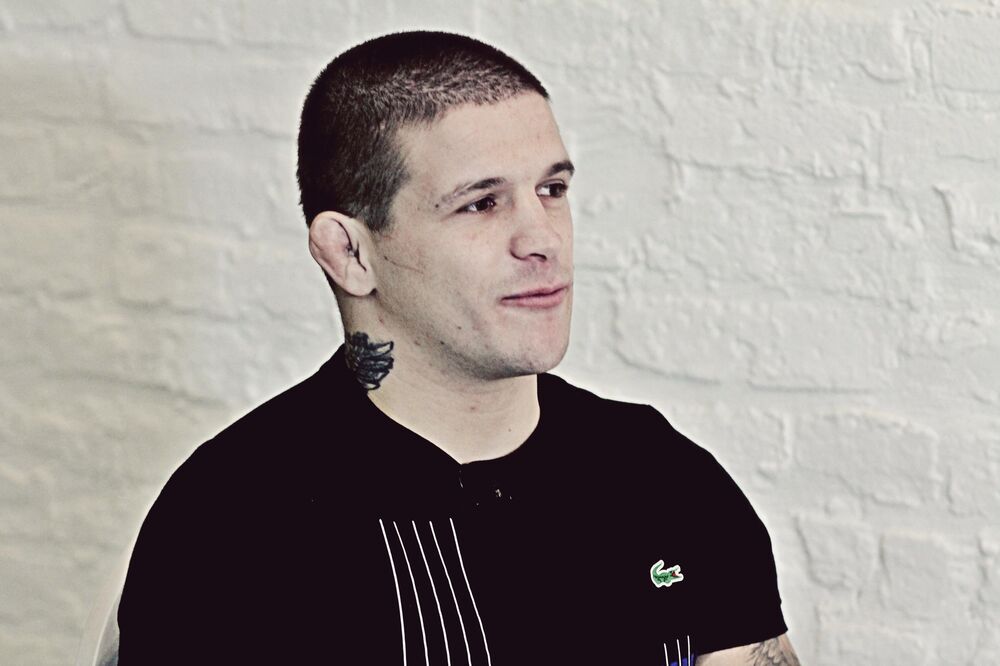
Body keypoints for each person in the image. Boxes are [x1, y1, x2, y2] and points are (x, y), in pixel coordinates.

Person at [117, 31, 799, 665]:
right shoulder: (233, 527)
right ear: (349, 252)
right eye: (481, 203)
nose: (543, 239)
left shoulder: (665, 479)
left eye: (552, 190)